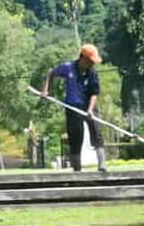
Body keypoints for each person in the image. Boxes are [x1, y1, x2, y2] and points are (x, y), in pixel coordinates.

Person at [41, 44, 107, 173]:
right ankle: (77, 169)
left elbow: (94, 93)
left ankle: (102, 166)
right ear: (83, 58)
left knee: (96, 133)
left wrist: (90, 110)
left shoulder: (93, 73)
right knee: (75, 138)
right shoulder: (68, 68)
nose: (92, 64)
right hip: (72, 106)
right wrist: (45, 90)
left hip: (90, 106)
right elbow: (51, 73)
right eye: (90, 61)